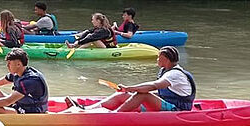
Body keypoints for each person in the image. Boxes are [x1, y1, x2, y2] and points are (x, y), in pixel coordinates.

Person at [67, 46, 195, 113]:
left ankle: (114, 115)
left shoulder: (175, 74)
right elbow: (160, 92)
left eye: (158, 57)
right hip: (166, 103)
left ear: (165, 59)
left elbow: (153, 86)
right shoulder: (167, 70)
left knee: (143, 95)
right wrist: (130, 91)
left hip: (177, 109)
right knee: (123, 95)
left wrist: (130, 88)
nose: (157, 60)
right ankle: (86, 109)